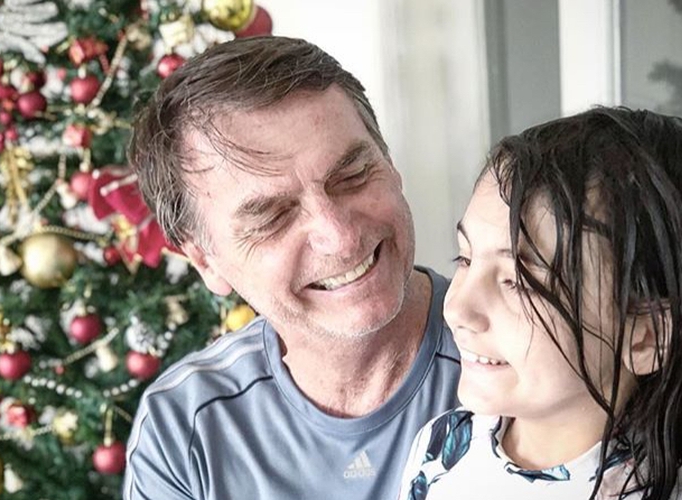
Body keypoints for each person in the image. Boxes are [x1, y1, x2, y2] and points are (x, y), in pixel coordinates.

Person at [123, 36, 461, 500]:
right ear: (205, 260)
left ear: (391, 165)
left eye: (353, 175)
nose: (339, 237)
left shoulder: (536, 350)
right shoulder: (185, 426)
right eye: (272, 217)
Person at [399, 107, 682, 500]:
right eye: (465, 259)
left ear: (645, 338)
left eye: (518, 281)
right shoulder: (442, 449)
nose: (457, 309)